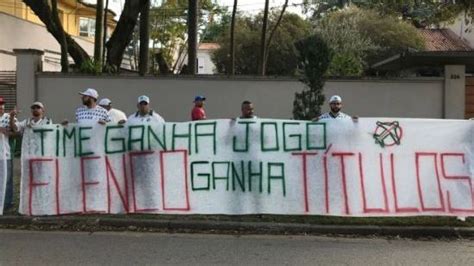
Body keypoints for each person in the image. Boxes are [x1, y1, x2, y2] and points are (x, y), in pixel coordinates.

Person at [0, 97, 16, 211]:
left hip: (5, 153)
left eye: (2, 104)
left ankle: (8, 202)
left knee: (8, 179)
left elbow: (16, 132)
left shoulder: (8, 117)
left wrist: (5, 131)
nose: (1, 106)